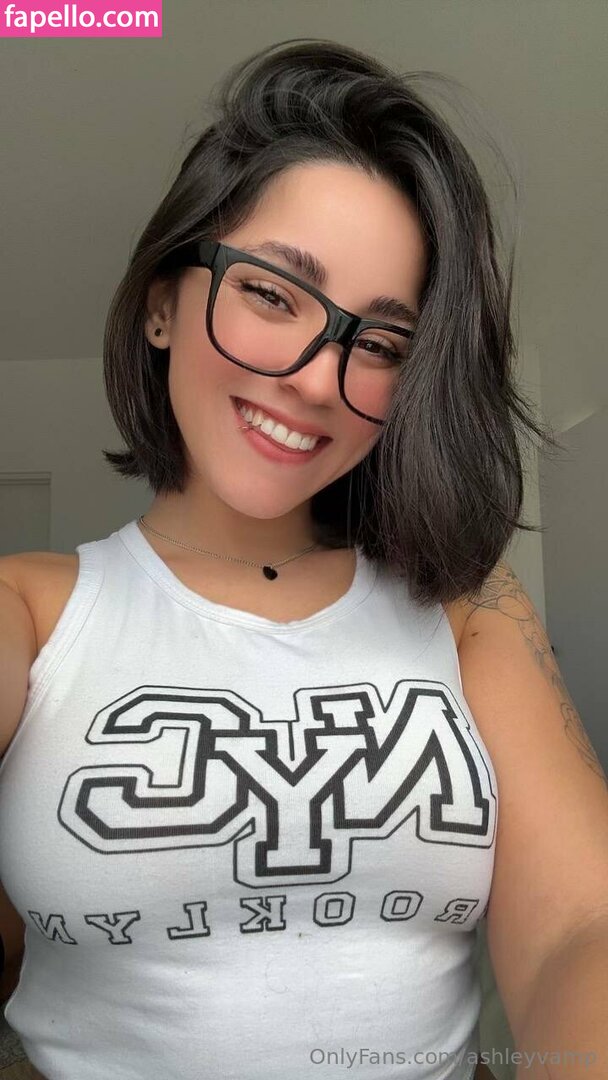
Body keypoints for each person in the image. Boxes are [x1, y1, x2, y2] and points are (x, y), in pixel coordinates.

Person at [1, 36, 607, 1080]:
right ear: (161, 304)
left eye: (379, 344)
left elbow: (575, 932)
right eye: (274, 295)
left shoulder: (468, 608)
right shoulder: (30, 606)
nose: (318, 381)